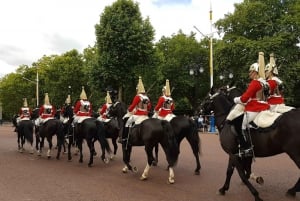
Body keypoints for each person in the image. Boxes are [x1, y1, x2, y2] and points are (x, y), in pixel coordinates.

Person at [233, 62, 270, 157]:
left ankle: (246, 148)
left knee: (241, 125)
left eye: (251, 71)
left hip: (255, 108)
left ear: (255, 72)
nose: (249, 73)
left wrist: (236, 99)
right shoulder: (265, 83)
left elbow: (244, 98)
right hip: (264, 106)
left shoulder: (255, 83)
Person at [120, 76, 151, 143]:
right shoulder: (147, 98)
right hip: (146, 116)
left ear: (137, 90)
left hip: (138, 115)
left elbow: (133, 105)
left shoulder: (137, 97)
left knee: (127, 123)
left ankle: (125, 138)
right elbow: (149, 107)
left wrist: (129, 110)